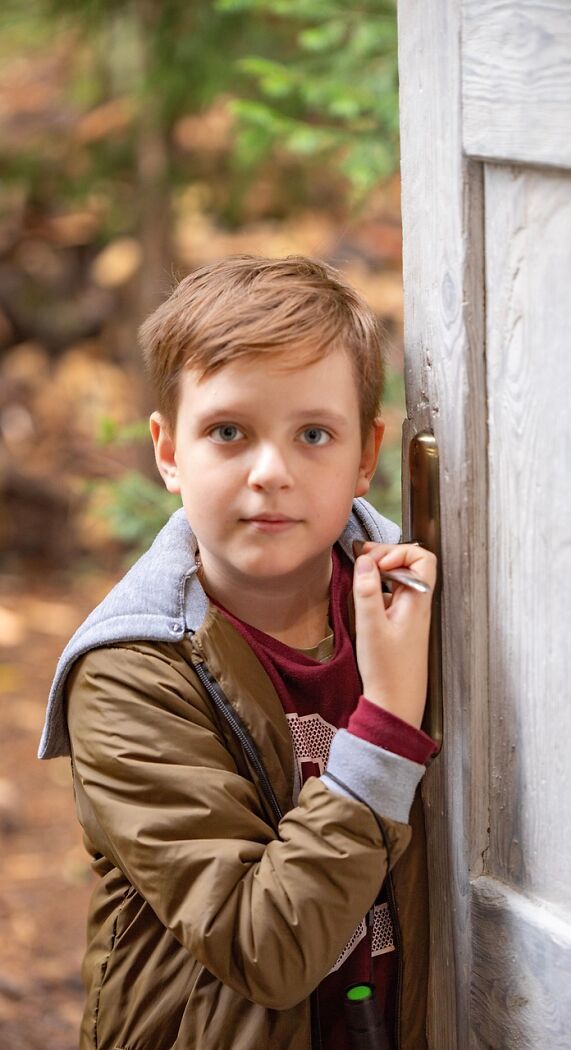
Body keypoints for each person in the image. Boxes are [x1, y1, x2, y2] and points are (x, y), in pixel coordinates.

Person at [38, 255, 438, 1050]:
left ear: (366, 456)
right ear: (169, 451)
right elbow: (267, 948)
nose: (270, 473)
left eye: (313, 435)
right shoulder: (128, 675)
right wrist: (387, 723)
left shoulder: (413, 605)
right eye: (228, 432)